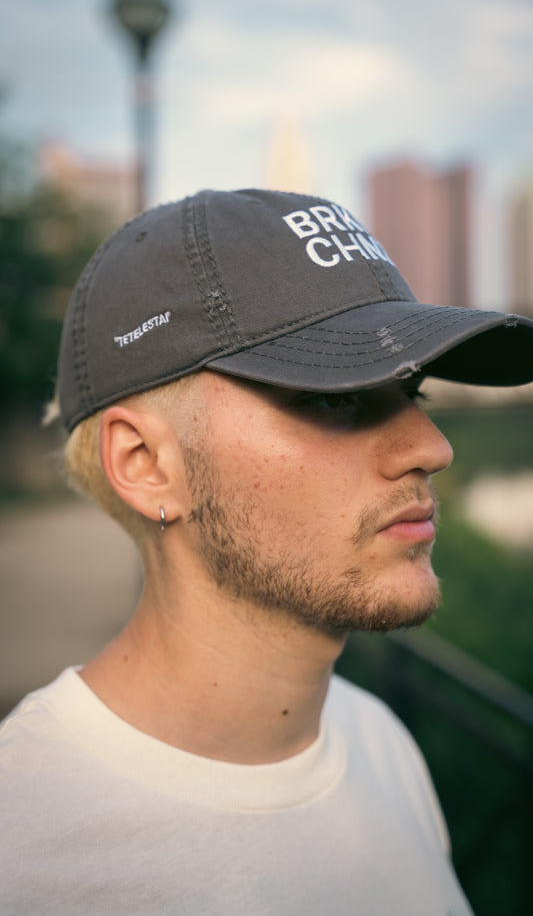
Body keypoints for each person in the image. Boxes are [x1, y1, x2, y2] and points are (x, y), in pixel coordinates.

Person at [1, 188, 532, 915]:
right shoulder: (24, 848)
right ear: (146, 463)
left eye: (413, 390)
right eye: (331, 397)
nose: (430, 448)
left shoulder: (381, 744)